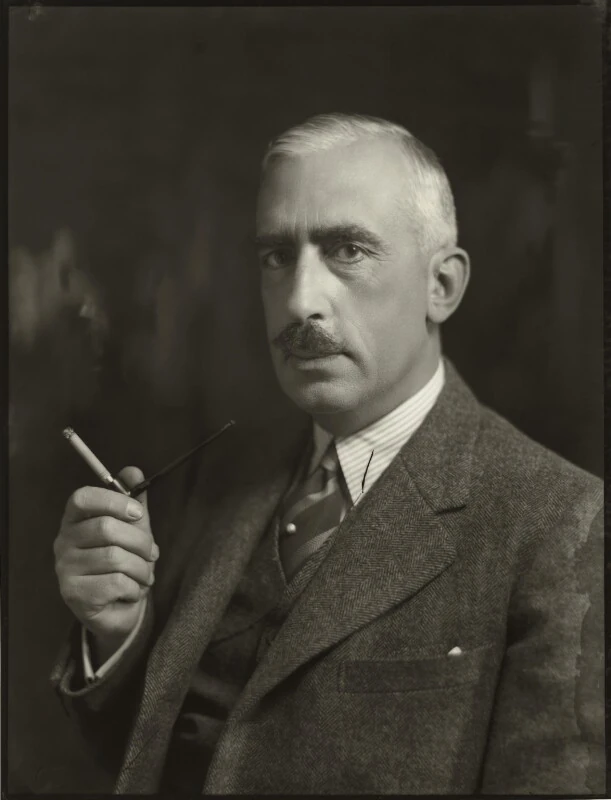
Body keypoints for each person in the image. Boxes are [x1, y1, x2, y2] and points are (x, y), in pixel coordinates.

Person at [51, 113, 604, 795]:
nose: (299, 301)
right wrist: (115, 633)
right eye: (276, 257)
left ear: (442, 286)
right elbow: (143, 758)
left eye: (347, 250)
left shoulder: (562, 524)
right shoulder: (216, 474)